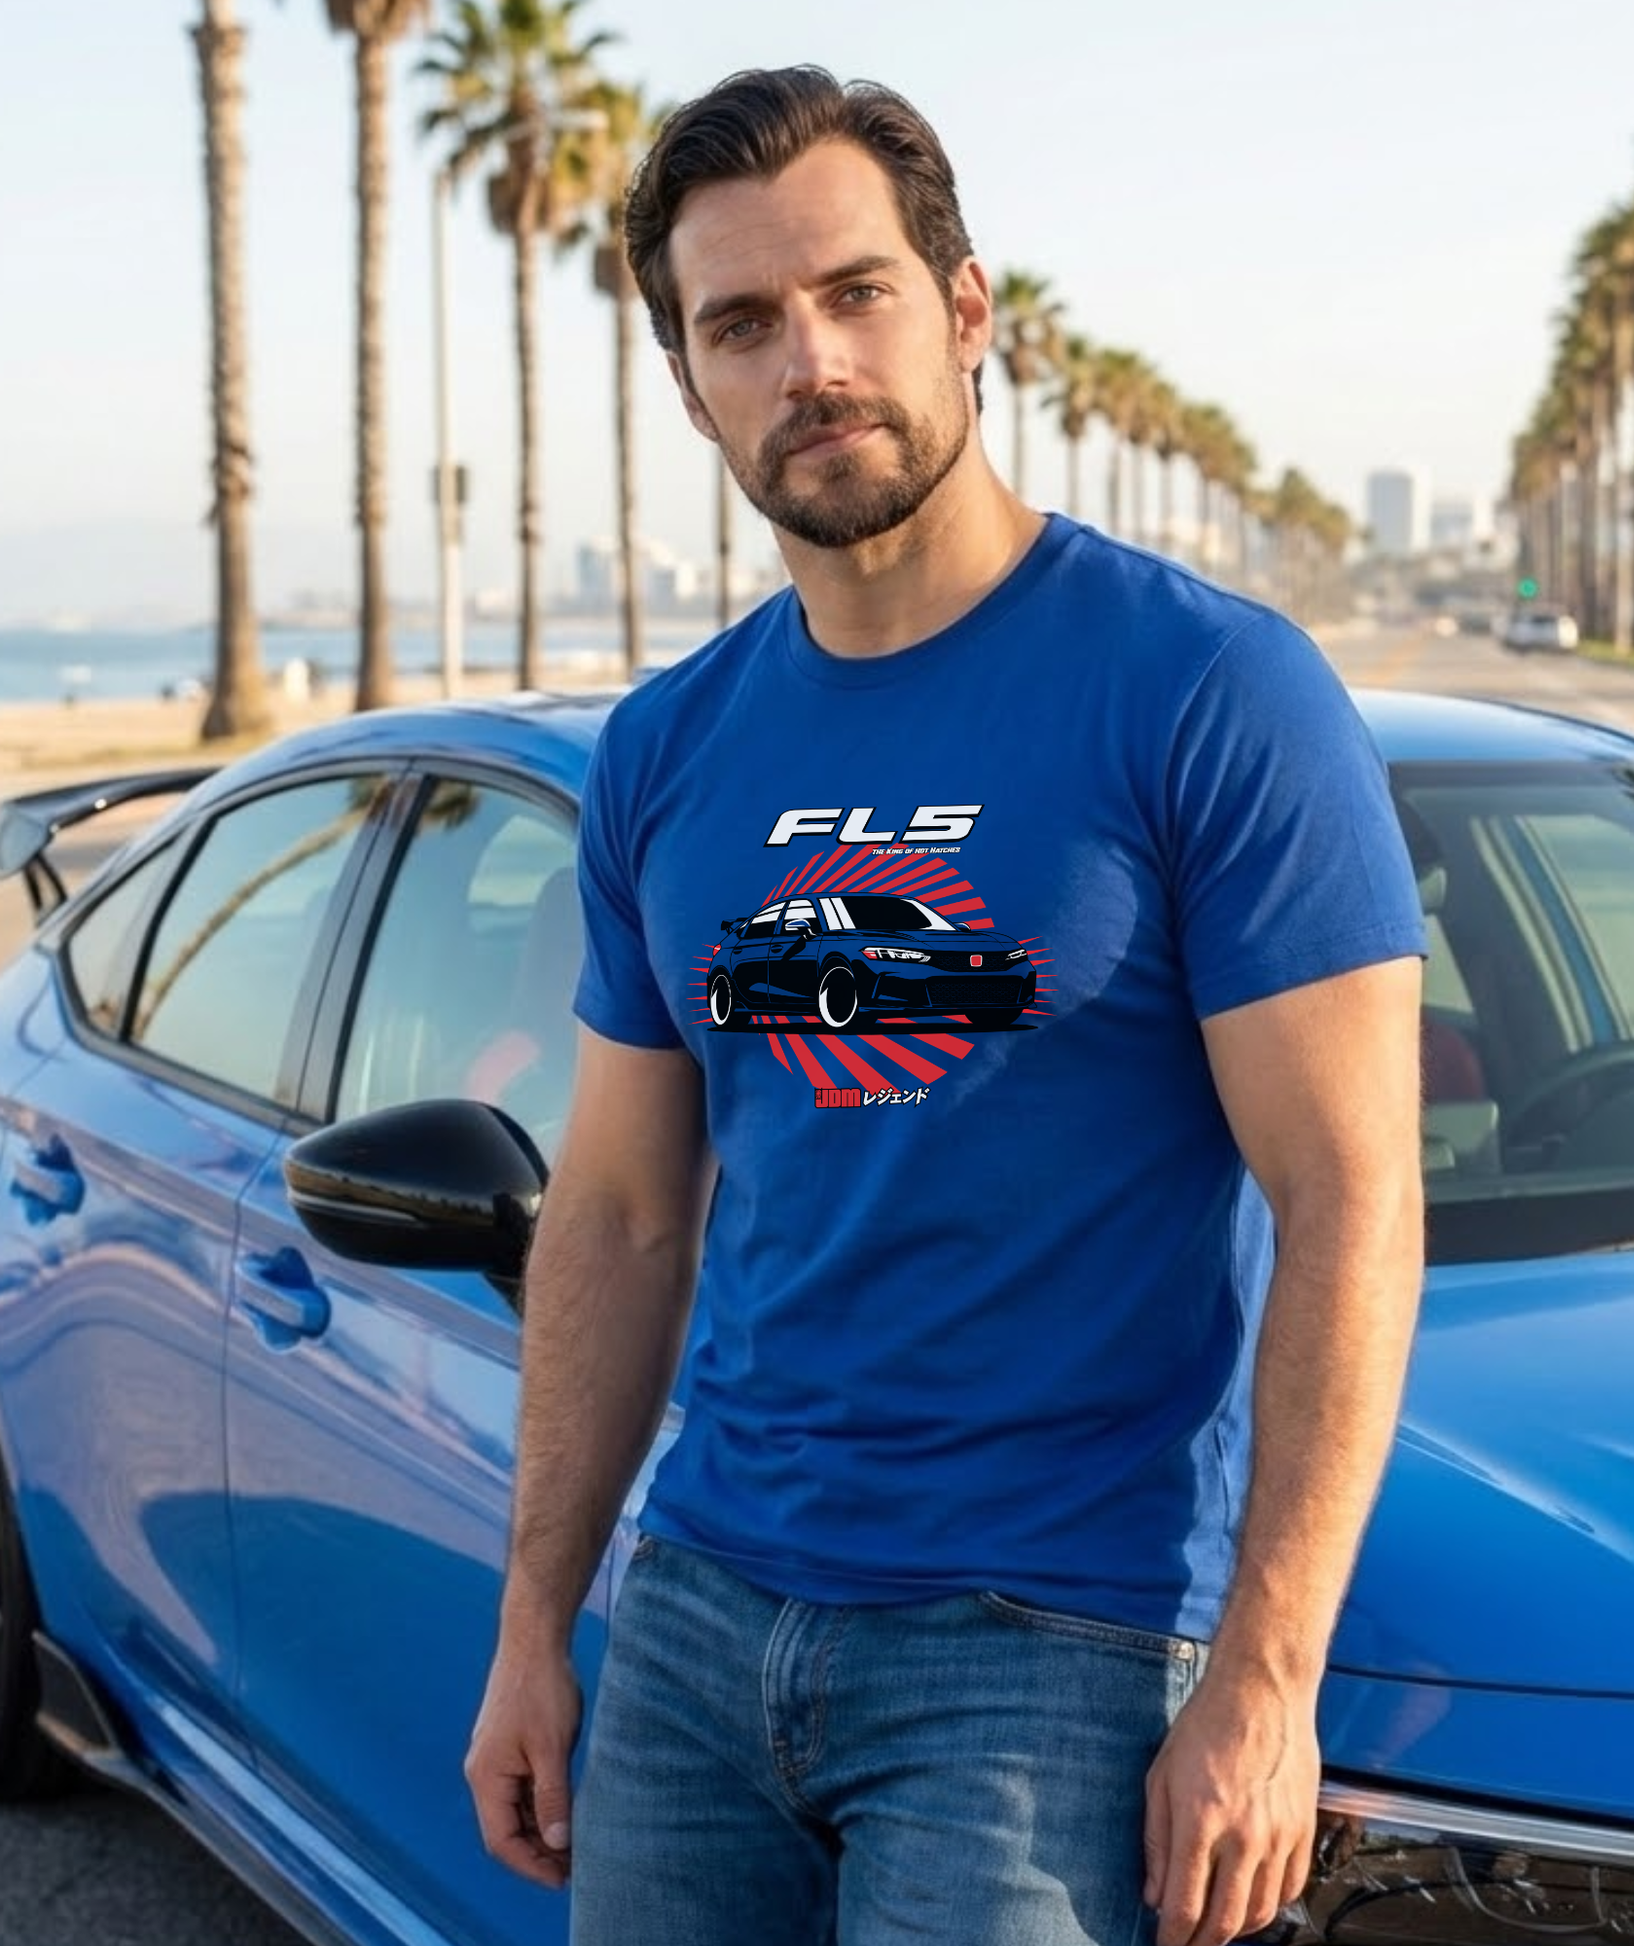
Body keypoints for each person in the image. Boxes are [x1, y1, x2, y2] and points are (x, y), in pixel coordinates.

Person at [462, 64, 1427, 1946]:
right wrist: (534, 1619)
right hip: (695, 1620)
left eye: (855, 293)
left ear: (967, 313)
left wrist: (1265, 1679)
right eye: (741, 323)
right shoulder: (665, 750)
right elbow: (623, 1209)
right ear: (689, 385)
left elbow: (1353, 1198)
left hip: (1045, 1648)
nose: (807, 361)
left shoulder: (1208, 692)